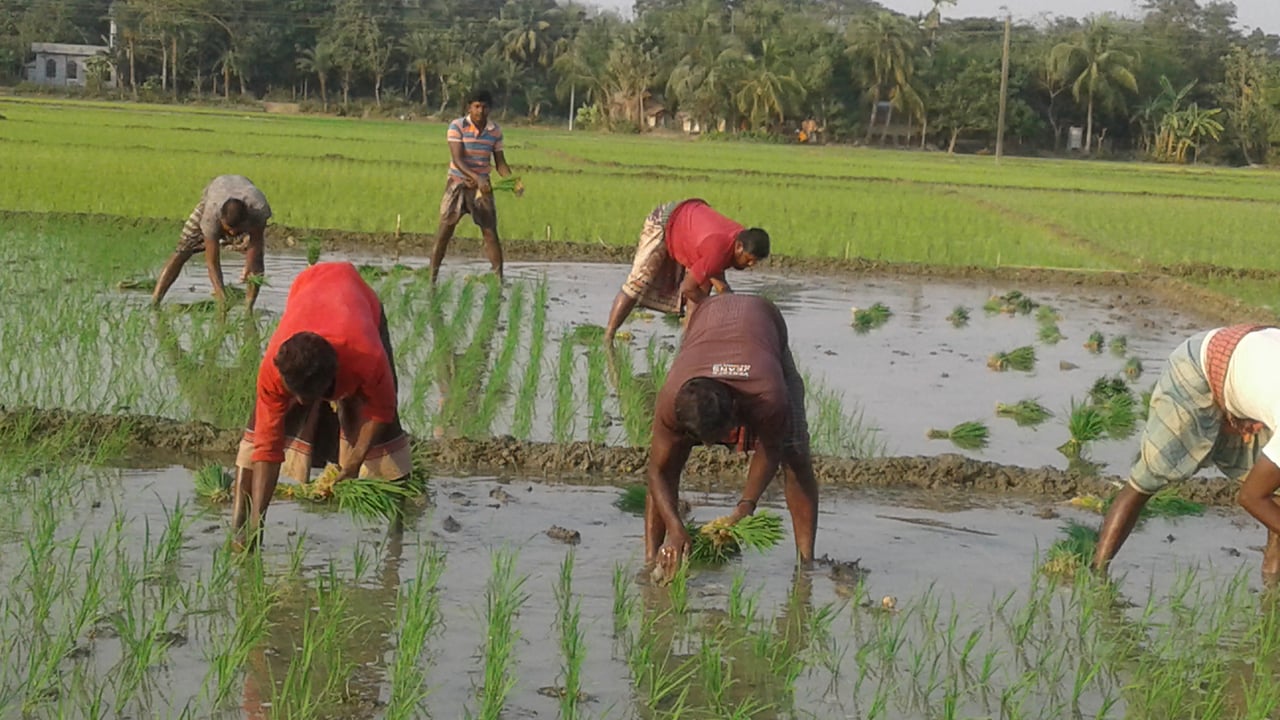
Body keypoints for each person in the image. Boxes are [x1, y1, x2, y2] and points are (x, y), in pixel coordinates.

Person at [231, 262, 412, 550]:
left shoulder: (366, 356)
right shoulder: (274, 368)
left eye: (309, 396)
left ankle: (397, 532)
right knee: (255, 436)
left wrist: (354, 461)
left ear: (333, 377)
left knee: (386, 431)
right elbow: (267, 446)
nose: (302, 403)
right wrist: (258, 527)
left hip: (356, 299)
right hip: (308, 289)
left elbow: (382, 410)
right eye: (296, 394)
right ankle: (240, 526)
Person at [645, 293, 818, 581]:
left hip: (763, 322)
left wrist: (745, 506)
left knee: (795, 453)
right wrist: (676, 529)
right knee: (669, 461)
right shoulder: (672, 396)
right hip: (706, 322)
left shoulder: (767, 394)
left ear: (736, 410)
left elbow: (771, 449)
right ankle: (652, 559)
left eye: (719, 436)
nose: (714, 447)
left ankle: (806, 563)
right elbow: (657, 471)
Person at [1093, 324, 1280, 583]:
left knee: (1276, 491)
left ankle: (1271, 582)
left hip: (1251, 366)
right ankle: (1096, 574)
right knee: (1148, 476)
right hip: (1199, 367)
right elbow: (1249, 496)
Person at [603, 199, 769, 343]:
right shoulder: (718, 251)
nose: (751, 264)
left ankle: (687, 345)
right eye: (749, 259)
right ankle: (608, 337)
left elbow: (716, 283)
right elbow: (687, 288)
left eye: (755, 261)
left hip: (691, 233)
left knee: (706, 290)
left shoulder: (738, 240)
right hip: (666, 221)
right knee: (638, 283)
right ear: (739, 247)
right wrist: (709, 306)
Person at [431, 89, 515, 283]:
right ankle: (431, 280)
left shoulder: (495, 131)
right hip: (458, 185)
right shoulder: (457, 126)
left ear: (490, 109)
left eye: (484, 107)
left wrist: (512, 181)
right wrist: (477, 178)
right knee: (444, 232)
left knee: (490, 233)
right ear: (469, 107)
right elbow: (458, 159)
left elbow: (500, 163)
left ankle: (499, 281)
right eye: (477, 106)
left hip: (481, 189)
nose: (480, 111)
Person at [152, 174, 271, 311]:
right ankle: (155, 301)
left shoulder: (259, 209)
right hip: (216, 193)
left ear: (246, 222)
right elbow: (212, 262)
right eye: (228, 230)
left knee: (257, 263)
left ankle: (248, 309)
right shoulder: (211, 215)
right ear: (220, 220)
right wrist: (221, 297)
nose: (232, 235)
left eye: (237, 230)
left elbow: (256, 244)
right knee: (183, 249)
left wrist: (249, 265)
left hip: (243, 191)